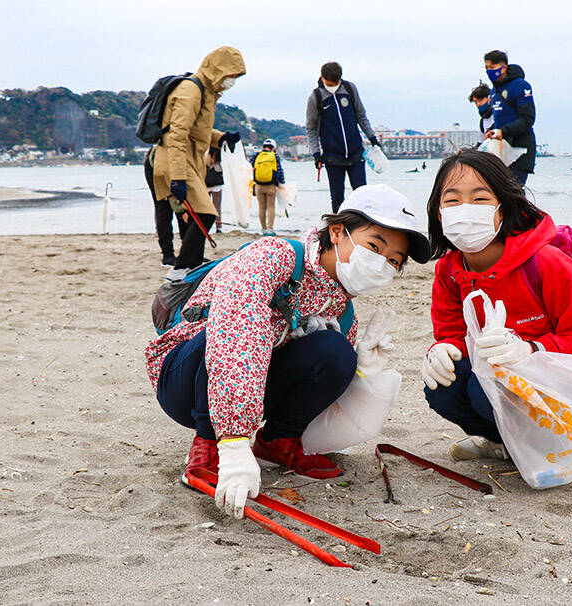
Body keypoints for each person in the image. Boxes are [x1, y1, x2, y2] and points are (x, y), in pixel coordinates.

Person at [145, 184, 431, 518]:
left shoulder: (342, 308)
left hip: (248, 385)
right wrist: (235, 440)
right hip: (183, 376)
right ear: (337, 232)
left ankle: (277, 443)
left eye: (393, 262)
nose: (382, 264)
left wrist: (365, 372)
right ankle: (209, 445)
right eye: (374, 247)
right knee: (235, 329)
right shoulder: (272, 256)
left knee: (337, 352)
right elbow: (236, 331)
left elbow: (323, 393)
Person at [420, 149, 572, 462]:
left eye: (480, 199)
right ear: (439, 213)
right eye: (452, 200)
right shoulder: (449, 272)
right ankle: (502, 442)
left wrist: (531, 350)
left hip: (561, 388)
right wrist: (442, 351)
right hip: (499, 381)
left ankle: (553, 444)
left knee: (488, 388)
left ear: (503, 206)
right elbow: (451, 335)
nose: (465, 210)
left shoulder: (548, 264)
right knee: (443, 385)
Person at [148, 46, 245, 279]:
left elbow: (197, 130)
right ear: (218, 70)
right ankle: (180, 268)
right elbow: (177, 136)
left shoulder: (206, 92)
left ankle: (190, 263)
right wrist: (178, 178)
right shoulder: (191, 91)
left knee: (199, 214)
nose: (232, 81)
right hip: (174, 160)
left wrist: (221, 137)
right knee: (206, 212)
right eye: (231, 76)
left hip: (188, 161)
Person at [305, 61, 382, 212]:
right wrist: (316, 154)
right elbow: (311, 129)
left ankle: (363, 228)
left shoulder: (349, 89)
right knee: (337, 198)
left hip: (355, 154)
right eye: (329, 83)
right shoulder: (316, 97)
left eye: (336, 82)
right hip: (332, 157)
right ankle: (338, 232)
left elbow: (361, 115)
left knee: (362, 195)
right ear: (322, 78)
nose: (333, 85)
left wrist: (372, 138)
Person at [481, 50, 537, 185]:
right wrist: (493, 130)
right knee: (498, 189)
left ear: (504, 67)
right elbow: (501, 119)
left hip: (520, 148)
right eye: (487, 68)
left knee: (514, 191)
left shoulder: (521, 86)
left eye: (492, 67)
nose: (489, 71)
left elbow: (527, 119)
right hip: (501, 150)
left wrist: (503, 131)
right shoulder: (494, 91)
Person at [144, 147, 179, 266]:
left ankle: (187, 252)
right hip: (160, 164)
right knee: (164, 208)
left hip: (163, 160)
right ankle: (168, 254)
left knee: (178, 206)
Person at [250, 138, 285, 236]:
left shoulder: (256, 155)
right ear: (274, 148)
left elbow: (249, 168)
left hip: (258, 185)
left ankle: (263, 229)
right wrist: (281, 182)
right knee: (270, 207)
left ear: (263, 147)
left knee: (261, 207)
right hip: (270, 186)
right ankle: (270, 229)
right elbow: (279, 170)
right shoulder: (274, 155)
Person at [205, 146, 224, 233]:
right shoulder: (218, 152)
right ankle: (218, 226)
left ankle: (204, 226)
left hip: (205, 183)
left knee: (204, 207)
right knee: (217, 207)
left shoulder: (204, 151)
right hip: (216, 184)